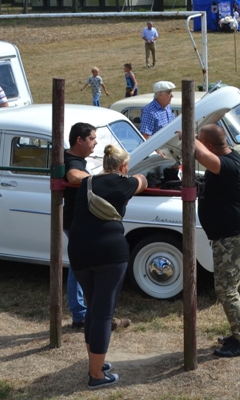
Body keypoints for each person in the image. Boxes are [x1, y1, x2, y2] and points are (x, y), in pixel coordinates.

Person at [68, 143, 147, 389]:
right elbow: (142, 180)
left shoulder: (87, 183)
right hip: (109, 253)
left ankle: (96, 363)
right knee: (103, 313)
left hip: (79, 252)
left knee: (93, 309)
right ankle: (96, 376)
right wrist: (134, 175)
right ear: (123, 166)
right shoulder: (124, 183)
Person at [192, 123, 240, 357]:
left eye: (201, 139)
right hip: (236, 233)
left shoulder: (225, 165)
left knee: (226, 289)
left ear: (209, 145)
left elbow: (200, 154)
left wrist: (188, 138)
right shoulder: (234, 157)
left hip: (231, 237)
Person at [62, 123, 128, 334]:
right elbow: (73, 176)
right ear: (79, 140)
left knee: (82, 268)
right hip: (76, 222)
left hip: (78, 221)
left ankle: (90, 314)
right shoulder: (72, 161)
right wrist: (103, 181)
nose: (95, 142)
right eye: (92, 138)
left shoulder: (78, 159)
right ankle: (81, 316)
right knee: (76, 270)